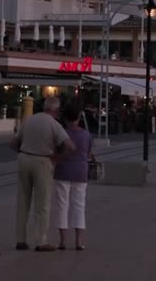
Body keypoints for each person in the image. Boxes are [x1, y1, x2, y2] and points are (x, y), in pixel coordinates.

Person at [10, 97, 74, 252]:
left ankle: (21, 240)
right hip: (43, 162)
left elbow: (13, 143)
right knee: (42, 204)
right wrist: (57, 158)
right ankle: (41, 241)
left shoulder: (29, 120)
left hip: (24, 158)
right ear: (56, 110)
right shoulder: (54, 124)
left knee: (22, 201)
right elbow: (70, 147)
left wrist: (23, 152)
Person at [52, 105, 93, 251]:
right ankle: (79, 242)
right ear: (78, 118)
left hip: (62, 171)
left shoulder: (61, 134)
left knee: (62, 205)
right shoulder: (86, 134)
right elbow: (88, 153)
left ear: (65, 119)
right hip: (80, 172)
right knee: (79, 206)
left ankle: (62, 241)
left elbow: (55, 151)